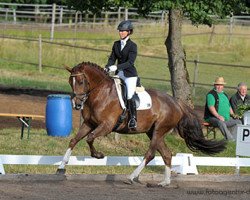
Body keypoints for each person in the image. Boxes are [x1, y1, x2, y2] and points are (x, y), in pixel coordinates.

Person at [105, 20, 138, 129]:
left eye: (123, 31)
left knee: (129, 95)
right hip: (119, 74)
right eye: (120, 31)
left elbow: (130, 62)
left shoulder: (133, 46)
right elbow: (112, 58)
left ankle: (133, 118)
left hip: (130, 75)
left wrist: (116, 67)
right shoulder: (116, 44)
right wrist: (107, 66)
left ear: (129, 32)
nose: (121, 33)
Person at [204, 77, 242, 141]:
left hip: (225, 119)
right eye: (217, 85)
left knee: (238, 122)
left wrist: (233, 115)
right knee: (221, 123)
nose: (219, 87)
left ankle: (233, 138)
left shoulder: (224, 95)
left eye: (221, 85)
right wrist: (218, 116)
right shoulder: (211, 94)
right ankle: (231, 140)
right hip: (212, 118)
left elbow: (229, 106)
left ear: (223, 86)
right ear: (214, 85)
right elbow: (211, 107)